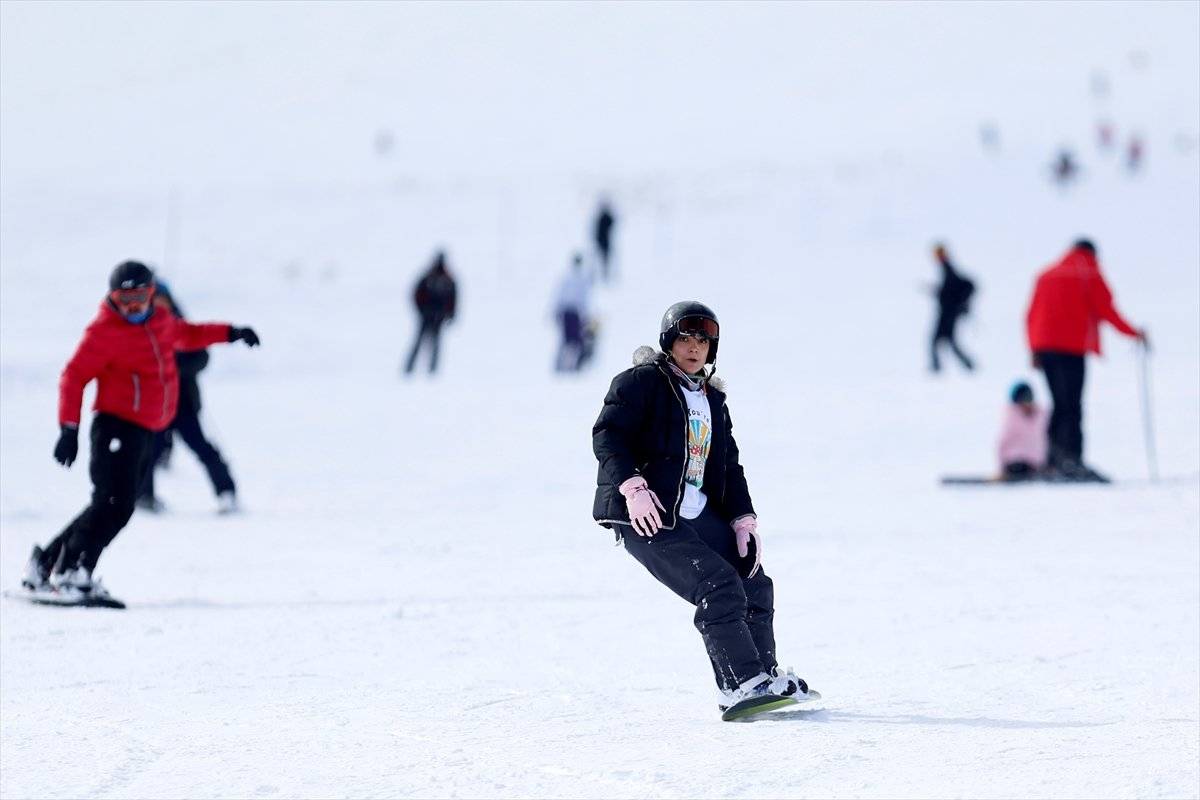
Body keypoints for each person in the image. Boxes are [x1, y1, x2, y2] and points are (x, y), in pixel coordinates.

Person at [590, 300, 812, 719]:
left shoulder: (712, 399)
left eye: (703, 341)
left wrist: (743, 518)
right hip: (649, 512)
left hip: (697, 511)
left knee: (753, 580)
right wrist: (632, 486)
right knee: (717, 584)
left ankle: (764, 679)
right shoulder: (640, 383)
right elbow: (609, 436)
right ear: (668, 342)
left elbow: (728, 464)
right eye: (685, 338)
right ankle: (738, 685)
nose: (694, 347)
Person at [21, 261, 259, 603]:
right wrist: (68, 429)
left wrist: (231, 333)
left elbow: (189, 334)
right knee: (114, 507)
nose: (133, 307)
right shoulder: (104, 332)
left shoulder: (161, 321)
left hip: (146, 430)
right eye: (125, 299)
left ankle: (45, 565)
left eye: (141, 297)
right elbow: (74, 376)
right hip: (116, 426)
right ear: (112, 298)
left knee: (109, 505)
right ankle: (73, 572)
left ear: (153, 294)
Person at [1025, 239, 1147, 481]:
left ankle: (1052, 458)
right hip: (1071, 348)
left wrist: (1034, 348)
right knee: (1072, 405)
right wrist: (1134, 333)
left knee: (1059, 404)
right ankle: (1072, 459)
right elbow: (1106, 309)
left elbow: (1030, 314)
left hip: (1046, 348)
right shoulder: (1087, 273)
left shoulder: (1046, 274)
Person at [136, 279, 240, 514]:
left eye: (163, 301)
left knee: (203, 448)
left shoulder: (182, 327)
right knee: (147, 453)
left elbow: (201, 357)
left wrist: (175, 367)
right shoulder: (142, 332)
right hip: (156, 408)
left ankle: (227, 493)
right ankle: (144, 496)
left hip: (184, 406)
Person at [403, 250, 457, 375]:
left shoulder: (448, 280)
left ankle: (433, 370)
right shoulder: (428, 277)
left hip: (439, 317)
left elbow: (453, 299)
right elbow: (417, 295)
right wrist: (421, 310)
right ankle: (409, 368)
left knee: (436, 344)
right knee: (419, 342)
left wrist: (450, 314)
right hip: (426, 316)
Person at [929, 243, 976, 373]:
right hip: (949, 313)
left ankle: (937, 368)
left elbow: (950, 291)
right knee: (948, 342)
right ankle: (967, 365)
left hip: (948, 314)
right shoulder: (947, 269)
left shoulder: (948, 269)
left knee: (939, 341)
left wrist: (941, 295)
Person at [997, 382, 1049, 481]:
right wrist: (1001, 467)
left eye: (1028, 399)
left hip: (1036, 464)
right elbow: (1002, 442)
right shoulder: (1011, 419)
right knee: (1020, 467)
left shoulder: (1041, 416)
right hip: (1014, 462)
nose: (1026, 403)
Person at [552, 252, 593, 372]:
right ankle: (565, 366)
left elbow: (559, 295)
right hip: (573, 313)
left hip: (568, 312)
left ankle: (565, 365)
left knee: (569, 340)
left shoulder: (567, 277)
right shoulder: (578, 278)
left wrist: (556, 311)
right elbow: (584, 299)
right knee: (572, 340)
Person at [592, 201, 616, 281]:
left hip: (605, 242)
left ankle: (604, 274)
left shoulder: (603, 218)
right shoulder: (602, 218)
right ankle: (601, 274)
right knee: (601, 259)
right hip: (602, 242)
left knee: (605, 259)